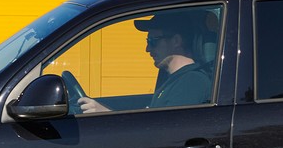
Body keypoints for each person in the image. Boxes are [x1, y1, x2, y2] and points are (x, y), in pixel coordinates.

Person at [76, 9, 215, 114]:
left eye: (153, 41)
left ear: (176, 41)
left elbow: (164, 133)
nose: (147, 49)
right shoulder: (173, 79)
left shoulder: (191, 83)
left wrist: (106, 114)